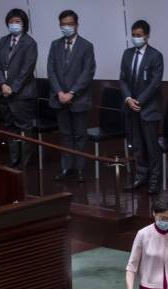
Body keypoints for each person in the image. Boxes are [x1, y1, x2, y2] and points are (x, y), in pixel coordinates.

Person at [47, 9, 96, 182]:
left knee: (80, 136)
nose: (66, 27)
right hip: (59, 99)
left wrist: (72, 93)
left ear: (76, 25)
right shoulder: (55, 44)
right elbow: (51, 71)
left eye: (69, 24)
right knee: (65, 135)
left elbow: (87, 73)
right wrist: (60, 92)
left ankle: (80, 170)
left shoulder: (86, 46)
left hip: (79, 100)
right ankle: (67, 168)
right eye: (63, 24)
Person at [119, 20, 164, 194]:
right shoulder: (127, 54)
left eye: (139, 35)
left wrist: (139, 101)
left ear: (146, 35)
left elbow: (155, 83)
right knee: (137, 146)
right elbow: (122, 79)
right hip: (131, 108)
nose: (136, 38)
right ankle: (141, 177)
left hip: (149, 110)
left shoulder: (156, 55)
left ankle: (154, 182)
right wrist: (129, 98)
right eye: (134, 35)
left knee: (151, 147)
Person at [0, 8, 38, 170]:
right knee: (10, 128)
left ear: (24, 24)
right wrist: (2, 84)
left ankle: (24, 163)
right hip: (3, 92)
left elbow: (27, 70)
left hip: (22, 94)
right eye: (11, 22)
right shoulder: (3, 40)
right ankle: (13, 160)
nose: (14, 24)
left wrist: (12, 88)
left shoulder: (30, 43)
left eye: (17, 21)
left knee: (24, 128)